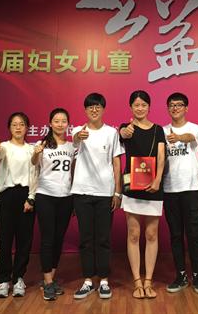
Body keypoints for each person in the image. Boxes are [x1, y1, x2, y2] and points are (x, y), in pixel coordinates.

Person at [70, 93, 123, 300]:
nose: (94, 110)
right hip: (82, 192)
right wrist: (79, 136)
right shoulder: (78, 131)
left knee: (103, 238)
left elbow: (117, 162)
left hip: (105, 192)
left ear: (103, 109)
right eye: (90, 107)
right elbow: (75, 141)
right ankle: (87, 280)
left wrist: (117, 191)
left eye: (98, 106)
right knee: (86, 239)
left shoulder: (111, 133)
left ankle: (103, 280)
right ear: (85, 110)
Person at [119, 90, 166, 299]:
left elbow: (162, 156)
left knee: (152, 234)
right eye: (136, 105)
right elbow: (123, 134)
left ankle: (149, 281)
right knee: (133, 233)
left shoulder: (158, 130)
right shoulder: (126, 127)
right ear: (131, 107)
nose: (140, 108)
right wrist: (125, 131)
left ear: (149, 107)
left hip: (154, 186)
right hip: (132, 185)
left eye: (143, 105)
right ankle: (137, 281)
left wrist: (158, 180)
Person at [162, 92, 198, 294]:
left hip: (190, 189)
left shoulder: (194, 128)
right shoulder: (162, 131)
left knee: (194, 234)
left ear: (186, 108)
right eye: (172, 105)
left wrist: (178, 137)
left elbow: (189, 137)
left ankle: (197, 275)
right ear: (168, 108)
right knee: (176, 235)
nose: (175, 108)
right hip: (170, 189)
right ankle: (180, 275)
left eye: (179, 105)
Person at [0, 112, 36, 298]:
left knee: (24, 241)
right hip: (6, 196)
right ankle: (3, 280)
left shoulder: (32, 149)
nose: (18, 127)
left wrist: (31, 198)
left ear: (27, 128)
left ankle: (18, 279)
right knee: (5, 241)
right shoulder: (4, 146)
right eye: (14, 124)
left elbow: (35, 175)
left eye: (22, 124)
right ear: (9, 127)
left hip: (25, 196)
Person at [31, 108, 75, 301]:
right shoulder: (42, 144)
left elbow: (73, 172)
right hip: (46, 196)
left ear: (68, 124)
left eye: (63, 121)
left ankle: (51, 278)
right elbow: (34, 163)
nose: (60, 124)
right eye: (56, 121)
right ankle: (48, 282)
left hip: (66, 197)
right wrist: (36, 153)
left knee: (58, 239)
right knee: (48, 239)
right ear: (50, 123)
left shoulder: (72, 146)